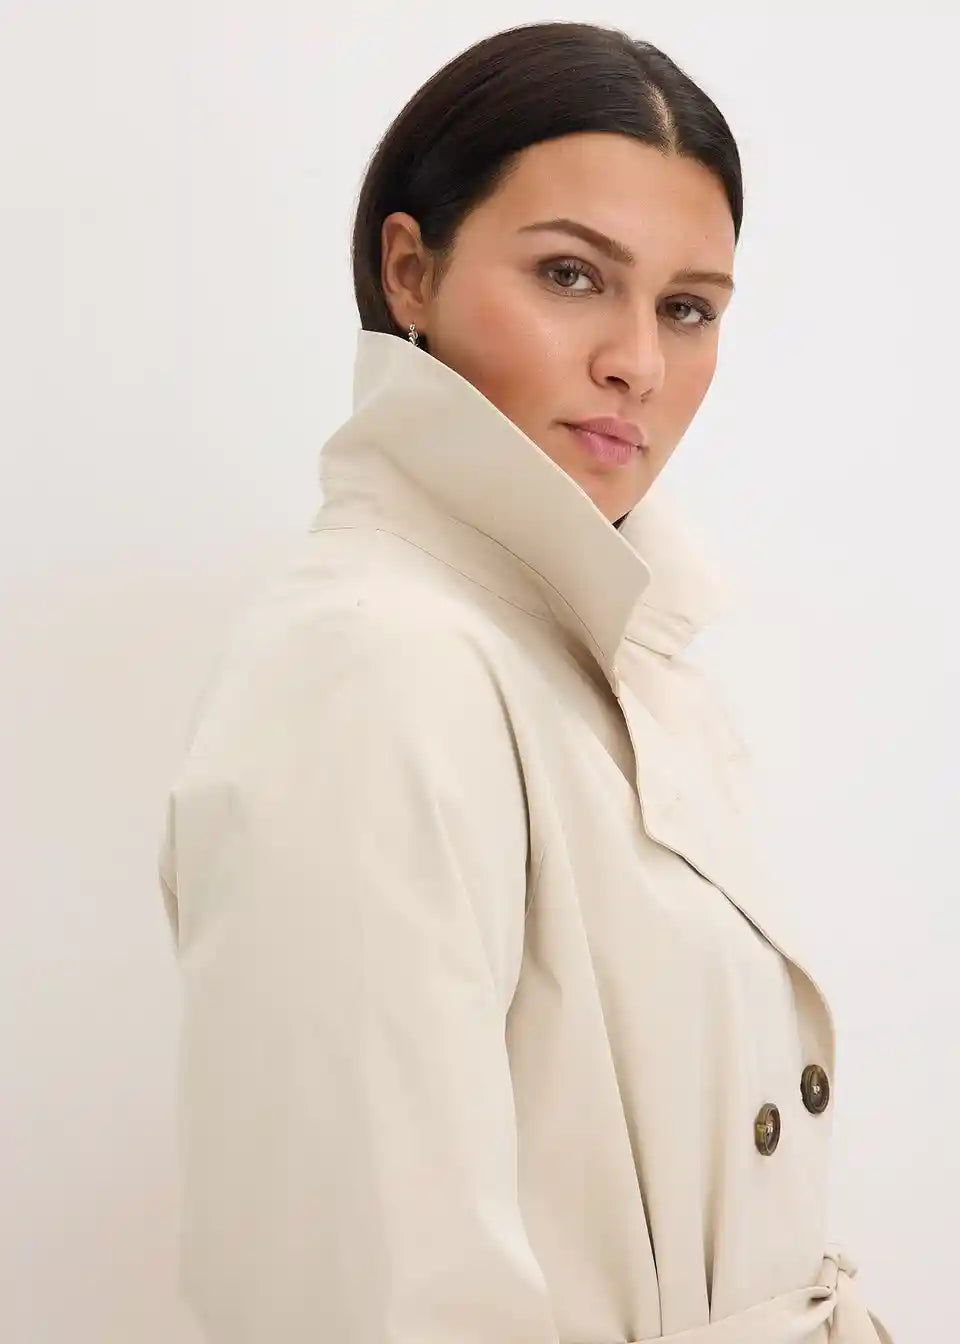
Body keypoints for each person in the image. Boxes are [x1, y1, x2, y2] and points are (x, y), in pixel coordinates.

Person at [156, 20, 893, 1343]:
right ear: (411, 271)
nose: (637, 362)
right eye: (570, 275)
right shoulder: (374, 672)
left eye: (687, 308)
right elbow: (358, 1302)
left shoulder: (605, 650)